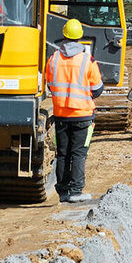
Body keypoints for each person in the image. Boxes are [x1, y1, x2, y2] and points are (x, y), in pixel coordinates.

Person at [46, 18, 105, 203]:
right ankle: (76, 192)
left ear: (64, 35)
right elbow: (97, 89)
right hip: (83, 115)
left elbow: (50, 84)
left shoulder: (54, 58)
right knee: (79, 153)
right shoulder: (88, 60)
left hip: (61, 114)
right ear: (80, 37)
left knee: (63, 153)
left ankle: (63, 192)